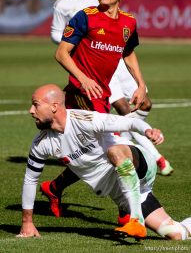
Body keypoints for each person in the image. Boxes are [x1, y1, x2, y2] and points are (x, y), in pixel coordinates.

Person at [41, 0, 172, 218]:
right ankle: (126, 212)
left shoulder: (129, 22)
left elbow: (128, 52)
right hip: (81, 93)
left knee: (97, 152)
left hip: (102, 93)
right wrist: (83, 78)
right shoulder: (85, 16)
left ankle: (54, 187)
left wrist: (141, 84)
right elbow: (61, 53)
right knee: (113, 148)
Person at [17, 84, 191, 240]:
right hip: (126, 192)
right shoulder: (41, 143)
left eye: (36, 104)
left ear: (54, 106)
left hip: (137, 163)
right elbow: (30, 179)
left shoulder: (85, 120)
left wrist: (148, 130)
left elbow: (131, 122)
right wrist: (27, 222)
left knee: (114, 151)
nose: (31, 110)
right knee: (175, 234)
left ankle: (136, 221)